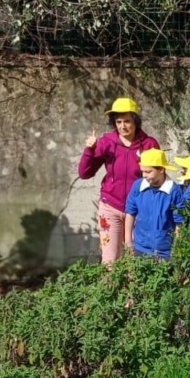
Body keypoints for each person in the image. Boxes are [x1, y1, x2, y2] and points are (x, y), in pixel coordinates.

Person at [77, 97, 160, 265]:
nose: (123, 126)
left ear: (135, 121)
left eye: (127, 121)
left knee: (137, 259)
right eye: (118, 121)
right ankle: (110, 291)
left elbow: (159, 175)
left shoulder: (149, 144)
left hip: (139, 210)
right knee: (110, 261)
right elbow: (84, 173)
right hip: (110, 207)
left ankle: (136, 291)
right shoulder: (106, 142)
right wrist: (90, 150)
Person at [123, 149, 184, 259]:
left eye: (148, 171)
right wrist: (128, 241)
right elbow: (130, 212)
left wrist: (177, 248)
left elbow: (179, 222)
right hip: (140, 248)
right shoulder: (138, 186)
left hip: (165, 251)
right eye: (142, 171)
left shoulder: (174, 191)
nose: (144, 175)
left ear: (161, 169)